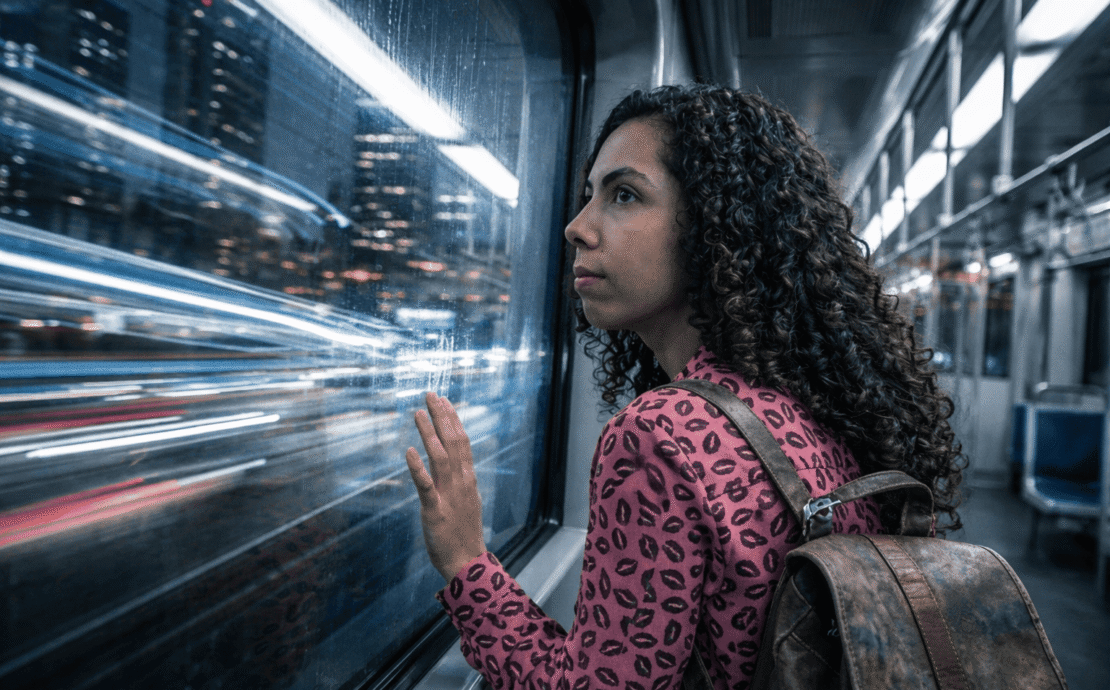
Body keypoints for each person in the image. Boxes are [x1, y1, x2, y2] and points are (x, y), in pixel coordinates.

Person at [403, 84, 965, 690]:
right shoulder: (823, 405)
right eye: (589, 195)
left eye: (624, 195)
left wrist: (466, 561)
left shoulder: (661, 437)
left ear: (715, 226)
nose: (577, 227)